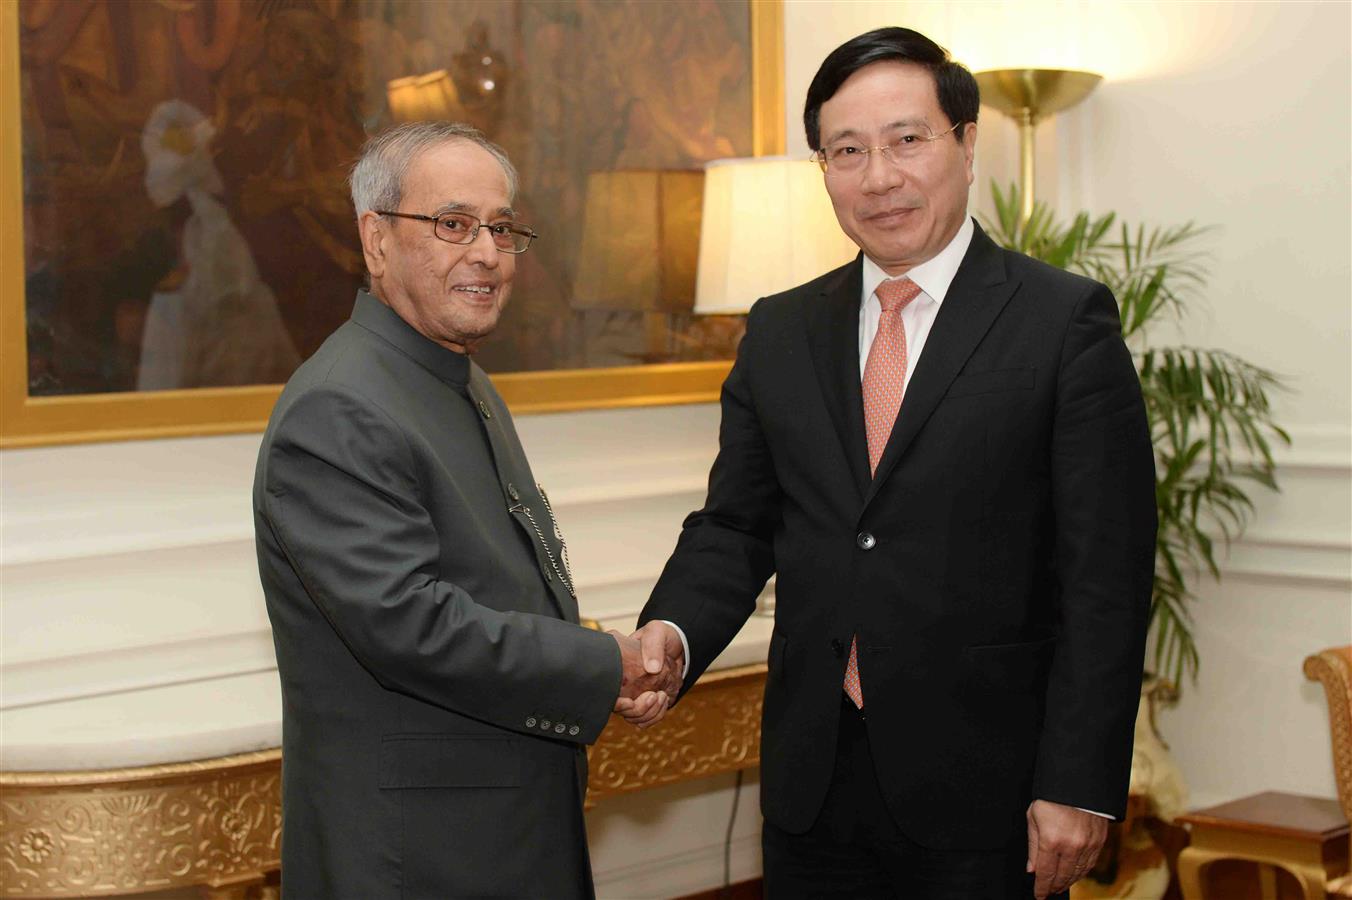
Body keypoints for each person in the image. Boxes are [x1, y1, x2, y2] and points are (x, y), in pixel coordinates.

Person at [631, 26, 1157, 900]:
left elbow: (1105, 577)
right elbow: (737, 524)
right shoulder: (782, 330)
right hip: (813, 783)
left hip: (991, 790)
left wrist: (1077, 781)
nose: (879, 177)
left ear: (966, 144)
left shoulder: (1063, 324)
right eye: (847, 151)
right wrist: (674, 634)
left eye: (907, 140)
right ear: (824, 169)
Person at [253, 121, 677, 899]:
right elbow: (411, 626)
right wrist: (599, 663)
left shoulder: (457, 375)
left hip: (498, 832)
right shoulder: (339, 407)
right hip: (419, 860)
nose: (486, 251)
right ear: (376, 240)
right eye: (453, 224)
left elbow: (495, 578)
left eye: (502, 227)